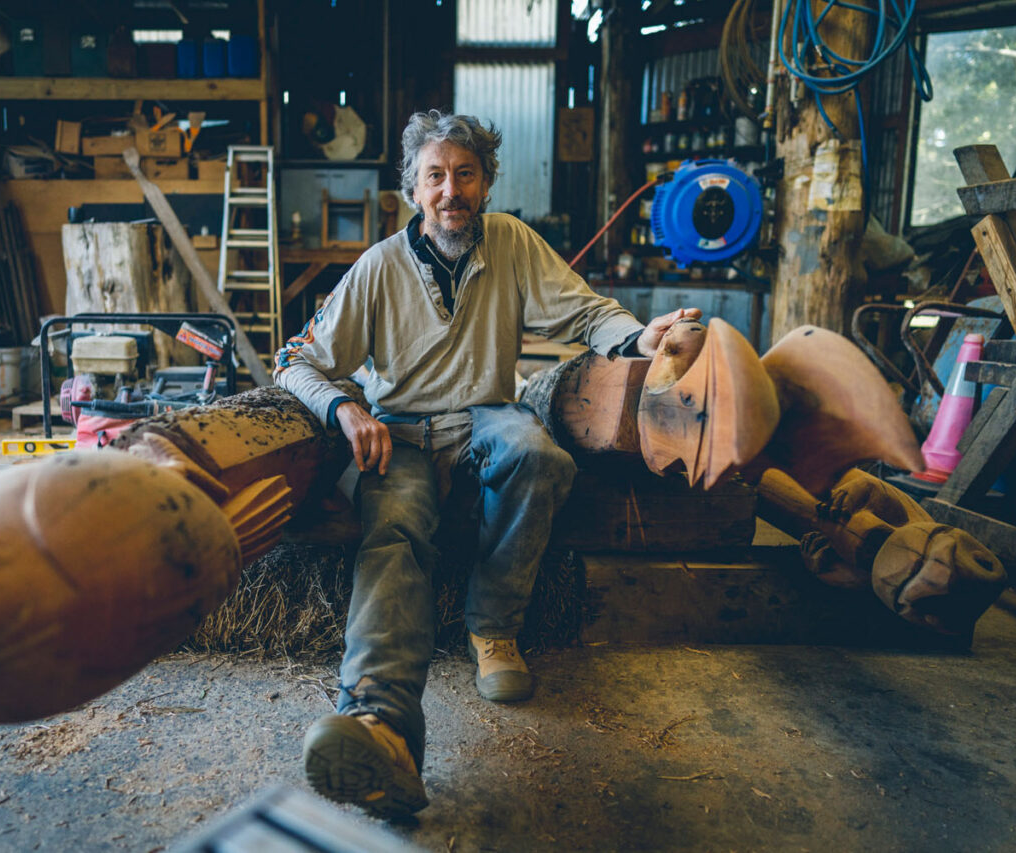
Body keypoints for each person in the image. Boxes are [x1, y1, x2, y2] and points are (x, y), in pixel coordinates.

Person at [273, 110, 700, 818]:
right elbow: (298, 360)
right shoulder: (378, 267)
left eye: (465, 174)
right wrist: (347, 411)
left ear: (487, 183)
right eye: (435, 175)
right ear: (412, 189)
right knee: (395, 528)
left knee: (540, 454)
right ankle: (380, 720)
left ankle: (493, 624)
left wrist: (638, 337)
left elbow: (586, 314)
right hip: (402, 428)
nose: (451, 190)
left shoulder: (510, 243)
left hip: (485, 411)